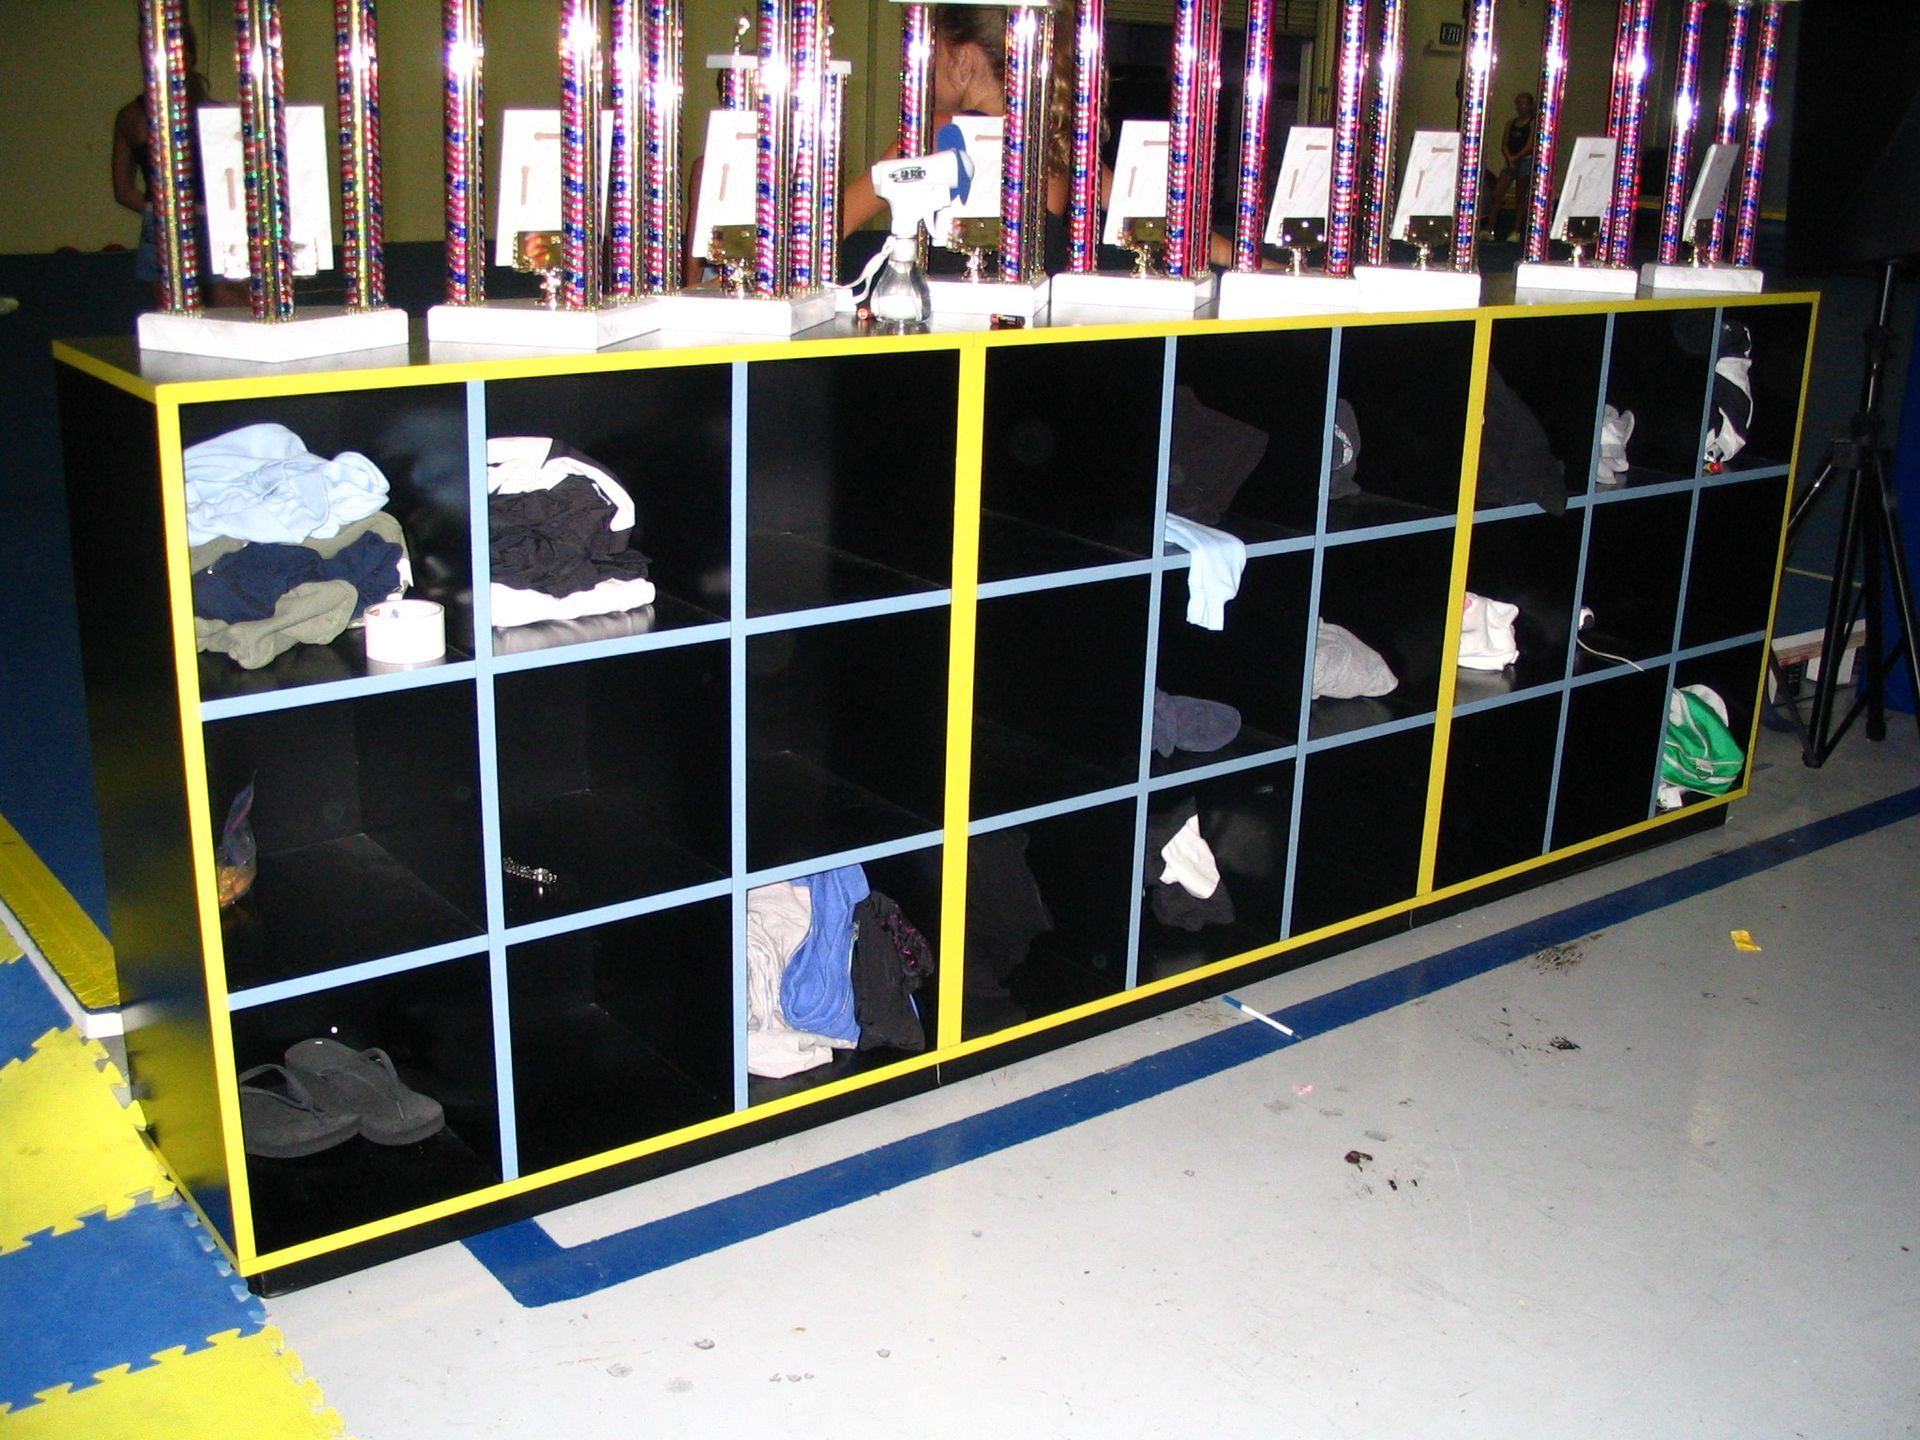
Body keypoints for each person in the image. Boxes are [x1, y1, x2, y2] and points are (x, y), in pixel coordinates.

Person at [840, 3, 1079, 273]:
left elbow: (834, 224)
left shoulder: (934, 133)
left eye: (935, 51)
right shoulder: (1056, 141)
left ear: (963, 61)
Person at [113, 23, 246, 308]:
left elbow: (123, 191)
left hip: (164, 221)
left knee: (175, 320)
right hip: (211, 219)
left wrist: (159, 212)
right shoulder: (218, 117)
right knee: (234, 317)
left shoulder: (131, 117)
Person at [1484, 91, 1536, 243]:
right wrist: (1509, 158)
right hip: (1510, 161)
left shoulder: (1533, 124)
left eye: (1524, 103)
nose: (1521, 107)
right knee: (1497, 194)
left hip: (1525, 160)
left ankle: (1516, 230)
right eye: (1518, 103)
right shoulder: (1511, 123)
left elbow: (1530, 145)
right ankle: (1489, 229)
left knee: (1521, 196)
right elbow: (1505, 143)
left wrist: (1516, 157)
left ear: (1530, 105)